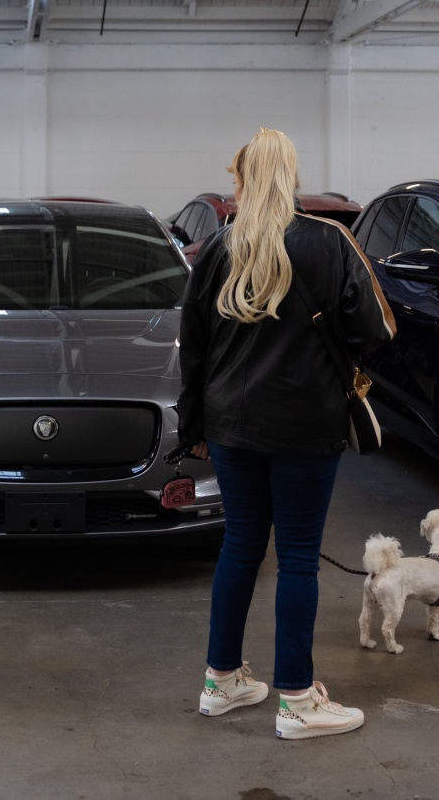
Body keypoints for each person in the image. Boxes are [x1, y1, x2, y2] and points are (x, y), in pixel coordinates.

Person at [176, 128, 395, 740]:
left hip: (230, 426)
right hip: (305, 425)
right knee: (297, 558)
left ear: (242, 179)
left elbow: (191, 348)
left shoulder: (217, 248)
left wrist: (193, 426)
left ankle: (221, 684)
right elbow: (377, 330)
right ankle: (297, 700)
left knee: (241, 547)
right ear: (292, 176)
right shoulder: (331, 243)